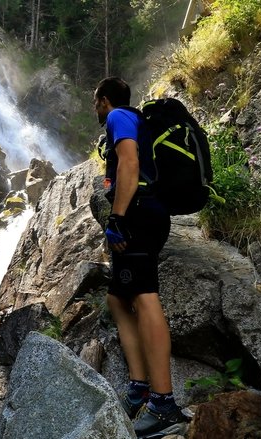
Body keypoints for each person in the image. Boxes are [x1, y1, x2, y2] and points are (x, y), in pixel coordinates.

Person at [93, 77, 187, 438]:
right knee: (118, 298)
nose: (96, 110)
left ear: (104, 100)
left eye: (95, 102)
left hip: (139, 214)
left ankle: (164, 405)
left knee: (145, 295)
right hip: (146, 213)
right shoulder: (132, 118)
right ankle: (139, 388)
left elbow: (129, 164)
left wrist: (117, 217)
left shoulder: (118, 116)